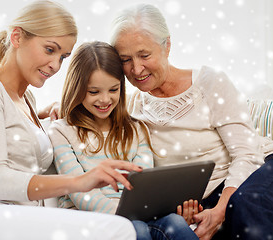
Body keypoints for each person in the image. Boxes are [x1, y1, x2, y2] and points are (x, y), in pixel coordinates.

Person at [0, 1, 142, 239]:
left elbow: (18, 142)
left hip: (6, 210)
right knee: (118, 228)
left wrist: (49, 116)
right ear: (16, 37)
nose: (55, 65)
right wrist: (79, 181)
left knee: (113, 224)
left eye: (63, 56)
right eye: (49, 50)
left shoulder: (28, 101)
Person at [109, 3, 273, 240]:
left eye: (144, 55)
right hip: (213, 196)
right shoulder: (131, 108)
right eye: (125, 60)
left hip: (263, 169)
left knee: (246, 205)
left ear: (167, 46)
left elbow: (247, 154)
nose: (136, 68)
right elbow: (91, 100)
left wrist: (221, 210)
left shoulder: (209, 83)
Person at [48, 41, 199, 240]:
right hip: (89, 220)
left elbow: (142, 185)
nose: (105, 100)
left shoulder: (136, 130)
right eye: (94, 92)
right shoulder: (62, 132)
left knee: (175, 223)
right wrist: (125, 216)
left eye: (113, 90)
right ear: (77, 89)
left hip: (137, 216)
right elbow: (80, 193)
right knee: (136, 229)